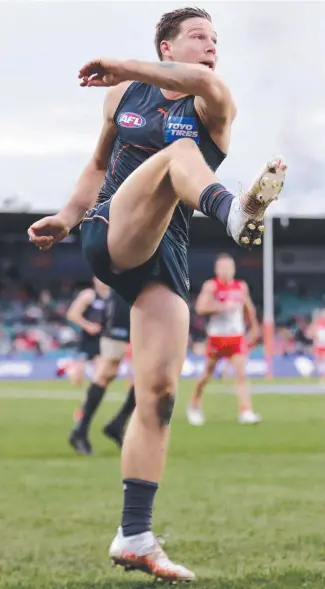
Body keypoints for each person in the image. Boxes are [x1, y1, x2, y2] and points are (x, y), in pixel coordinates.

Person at [27, 7, 287, 582]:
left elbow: (199, 82)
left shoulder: (211, 98)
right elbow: (98, 163)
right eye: (199, 36)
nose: (212, 46)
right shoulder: (121, 95)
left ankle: (135, 535)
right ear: (166, 47)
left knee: (160, 393)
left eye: (217, 39)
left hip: (161, 249)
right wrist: (66, 217)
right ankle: (233, 210)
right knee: (178, 156)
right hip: (109, 228)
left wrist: (121, 61)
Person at [187, 253, 261, 426]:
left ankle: (246, 411)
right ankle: (194, 404)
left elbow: (248, 307)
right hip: (217, 338)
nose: (228, 271)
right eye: (224, 267)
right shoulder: (211, 286)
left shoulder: (241, 287)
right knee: (207, 374)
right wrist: (221, 307)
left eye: (230, 267)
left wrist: (254, 326)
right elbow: (200, 308)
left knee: (241, 374)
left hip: (237, 337)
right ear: (217, 270)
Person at [70, 287, 135, 454]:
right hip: (123, 308)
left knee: (143, 377)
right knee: (107, 372)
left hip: (137, 306)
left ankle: (115, 424)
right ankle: (83, 430)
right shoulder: (90, 294)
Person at [59, 277, 107, 385]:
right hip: (88, 337)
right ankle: (70, 369)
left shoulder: (111, 297)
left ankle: (93, 394)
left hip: (103, 337)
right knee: (78, 378)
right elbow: (72, 314)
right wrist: (88, 326)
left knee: (100, 375)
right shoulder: (89, 295)